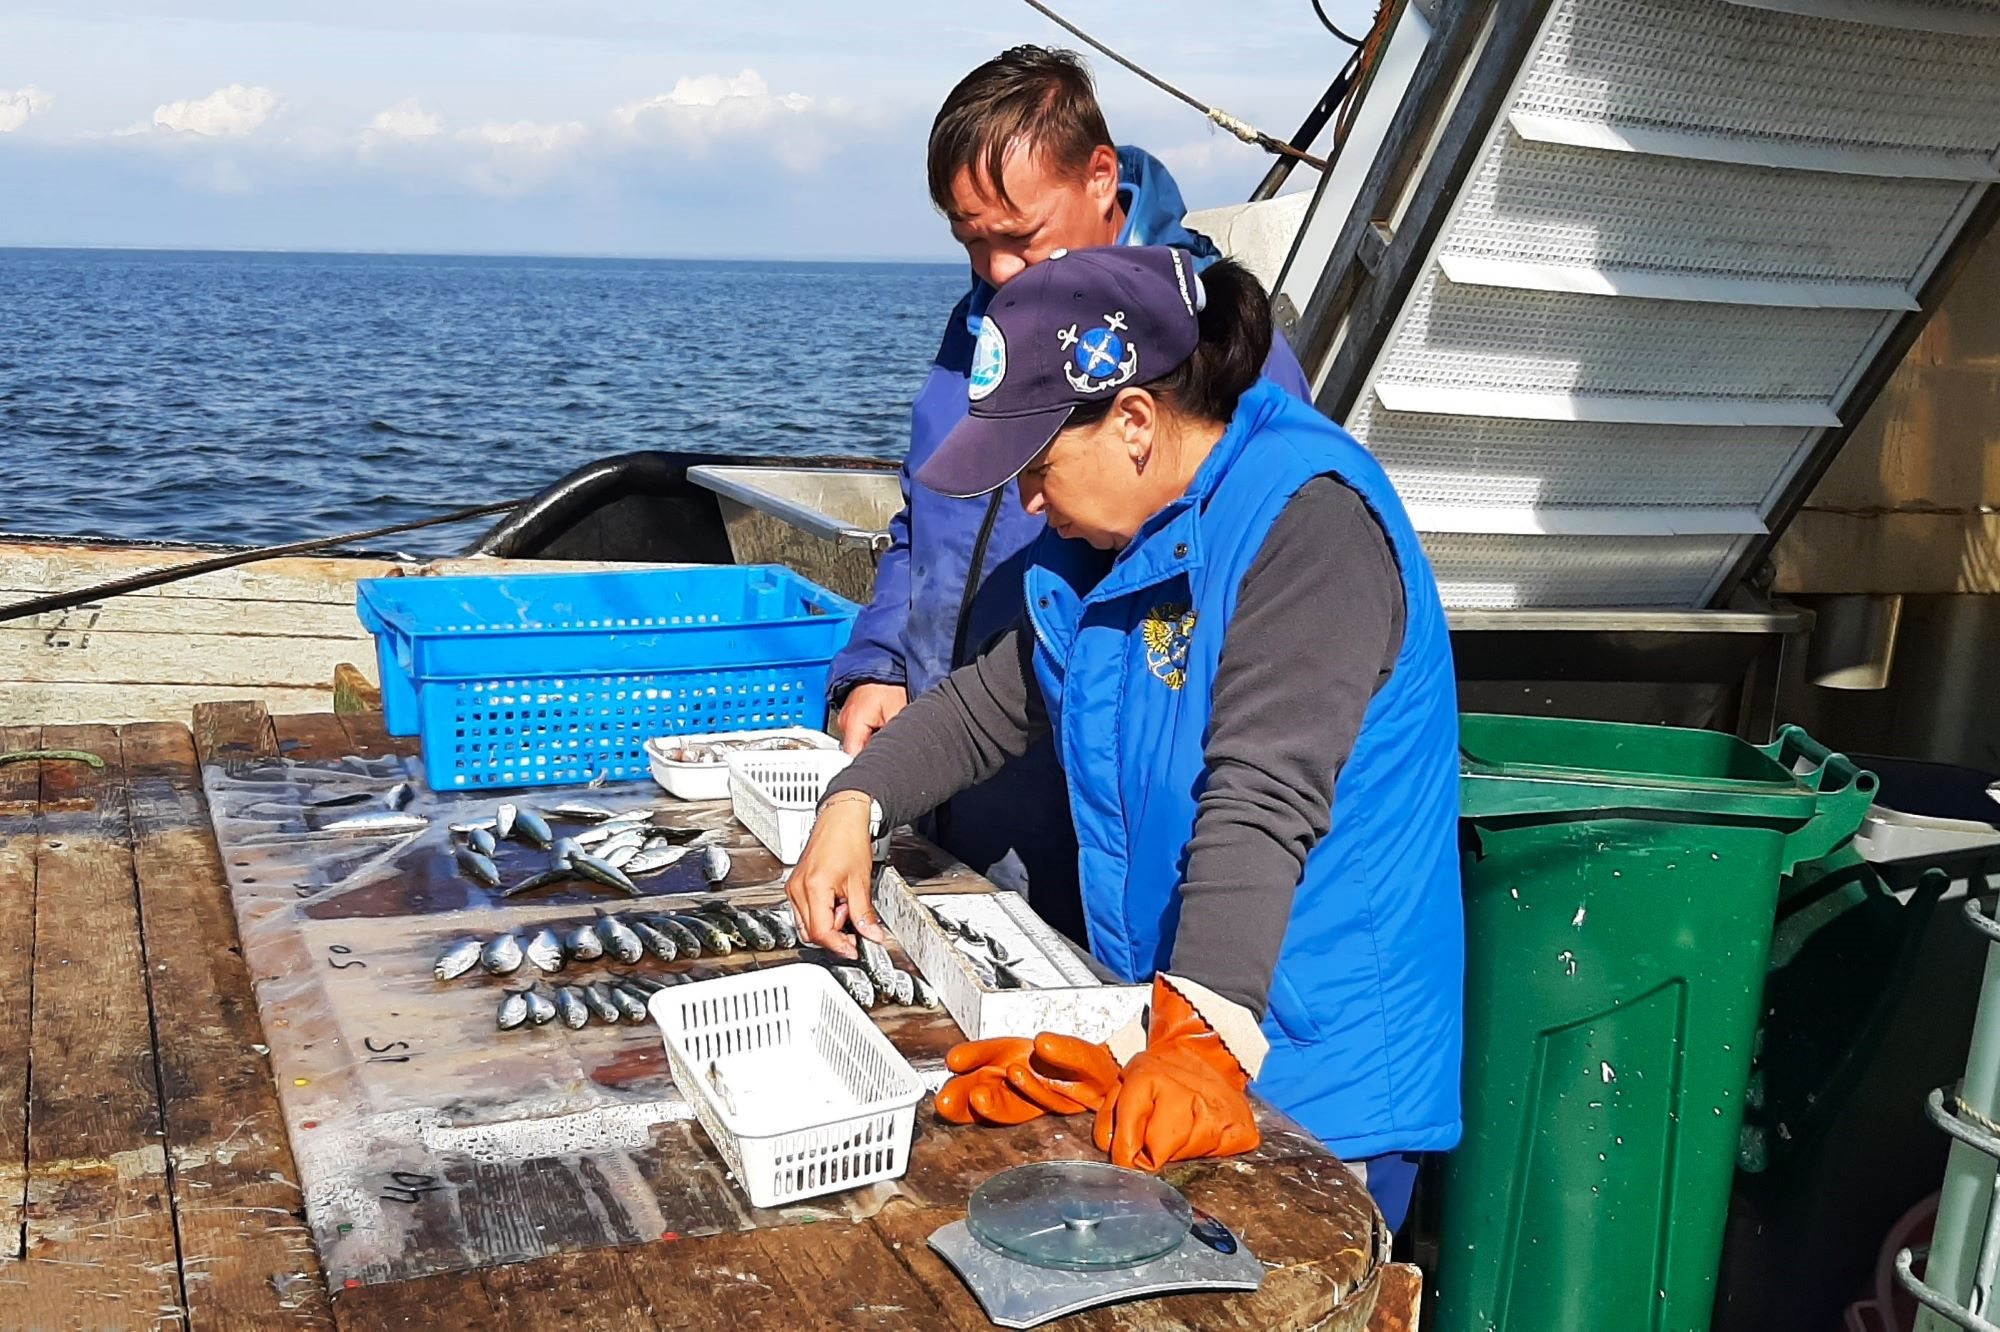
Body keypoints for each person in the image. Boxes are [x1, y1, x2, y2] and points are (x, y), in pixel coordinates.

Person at [785, 246, 1463, 1233]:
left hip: (1318, 1075)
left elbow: (1260, 798)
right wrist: (857, 800)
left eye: (1038, 468)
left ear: (1135, 422)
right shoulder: (1101, 543)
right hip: (1171, 1030)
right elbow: (989, 704)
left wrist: (1197, 1044)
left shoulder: (1310, 525)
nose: (1027, 501)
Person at [829, 46, 1310, 943]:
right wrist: (881, 665)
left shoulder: (1214, 347)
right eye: (972, 240)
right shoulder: (983, 320)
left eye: (1020, 235)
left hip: (1094, 815)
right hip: (950, 764)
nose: (998, 270)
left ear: (1099, 176)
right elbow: (924, 516)